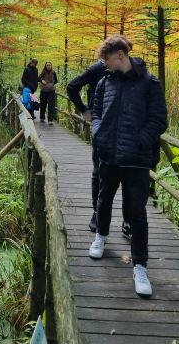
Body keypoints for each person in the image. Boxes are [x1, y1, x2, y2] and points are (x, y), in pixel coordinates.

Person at [88, 35, 167, 298]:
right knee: (103, 199)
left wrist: (140, 142)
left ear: (120, 55)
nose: (104, 64)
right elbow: (96, 112)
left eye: (106, 59)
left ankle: (140, 266)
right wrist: (98, 133)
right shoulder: (104, 82)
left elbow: (159, 120)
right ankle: (100, 235)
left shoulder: (149, 84)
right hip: (108, 155)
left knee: (137, 213)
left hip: (136, 161)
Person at [67, 37, 133, 238]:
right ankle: (97, 213)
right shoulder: (97, 70)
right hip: (101, 128)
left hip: (125, 131)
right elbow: (72, 86)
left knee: (128, 175)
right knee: (99, 171)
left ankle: (128, 220)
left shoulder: (131, 72)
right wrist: (85, 111)